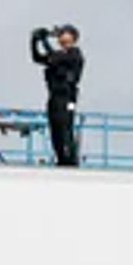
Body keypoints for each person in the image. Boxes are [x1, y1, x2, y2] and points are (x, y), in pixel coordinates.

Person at [29, 23, 84, 167]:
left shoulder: (74, 54)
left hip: (67, 97)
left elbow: (56, 58)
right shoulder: (58, 55)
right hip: (54, 96)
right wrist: (34, 41)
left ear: (73, 37)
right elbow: (38, 58)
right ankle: (61, 158)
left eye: (64, 33)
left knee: (65, 127)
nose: (60, 36)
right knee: (55, 129)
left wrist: (44, 40)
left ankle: (69, 159)